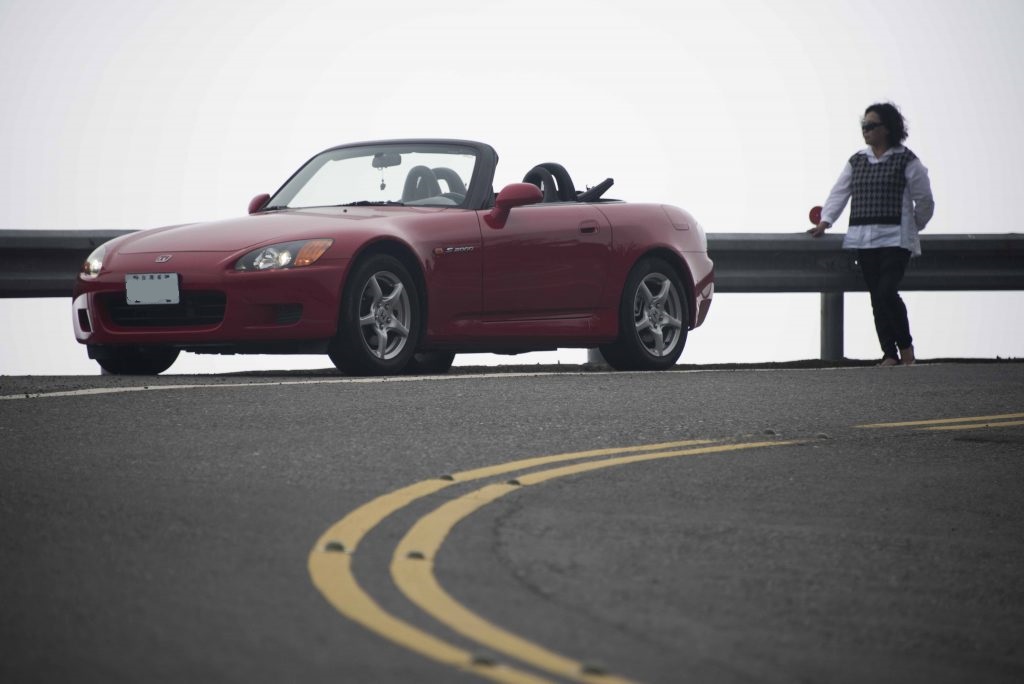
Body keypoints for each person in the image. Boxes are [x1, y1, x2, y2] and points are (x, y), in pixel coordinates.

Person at [809, 102, 935, 366]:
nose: (865, 130)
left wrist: (914, 226)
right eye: (863, 125)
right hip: (863, 239)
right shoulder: (857, 161)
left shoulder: (907, 160)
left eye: (871, 125)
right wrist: (825, 221)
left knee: (887, 291)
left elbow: (925, 200)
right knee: (877, 297)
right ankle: (889, 354)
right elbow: (839, 192)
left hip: (896, 239)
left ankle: (906, 349)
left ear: (887, 129)